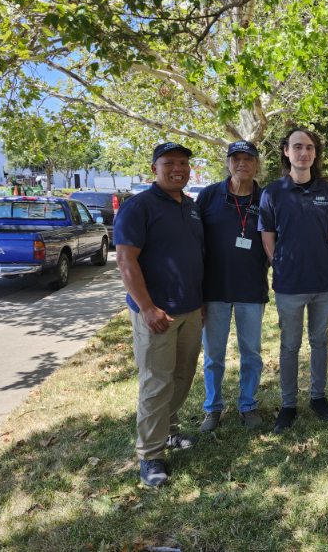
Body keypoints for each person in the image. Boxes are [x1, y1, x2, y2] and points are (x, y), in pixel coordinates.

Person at [114, 142, 205, 487]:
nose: (178, 168)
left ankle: (168, 430)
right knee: (156, 381)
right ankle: (150, 456)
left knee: (182, 375)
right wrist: (148, 307)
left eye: (183, 163)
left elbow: (196, 255)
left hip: (191, 309)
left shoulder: (191, 208)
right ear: (155, 168)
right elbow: (126, 260)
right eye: (169, 163)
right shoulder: (139, 207)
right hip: (156, 313)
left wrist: (202, 303)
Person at [258, 127, 328, 434]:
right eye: (297, 147)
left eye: (309, 147)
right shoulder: (272, 193)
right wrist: (278, 264)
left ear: (315, 153)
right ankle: (289, 404)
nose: (303, 152)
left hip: (323, 284)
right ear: (286, 152)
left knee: (320, 341)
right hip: (290, 286)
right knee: (290, 345)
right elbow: (268, 236)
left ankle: (318, 397)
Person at [196, 141, 269, 432]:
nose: (242, 164)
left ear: (256, 164)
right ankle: (212, 408)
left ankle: (248, 404)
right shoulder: (209, 196)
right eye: (236, 158)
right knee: (214, 354)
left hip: (252, 289)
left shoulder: (266, 198)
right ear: (228, 163)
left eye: (248, 159)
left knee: (251, 352)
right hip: (214, 290)